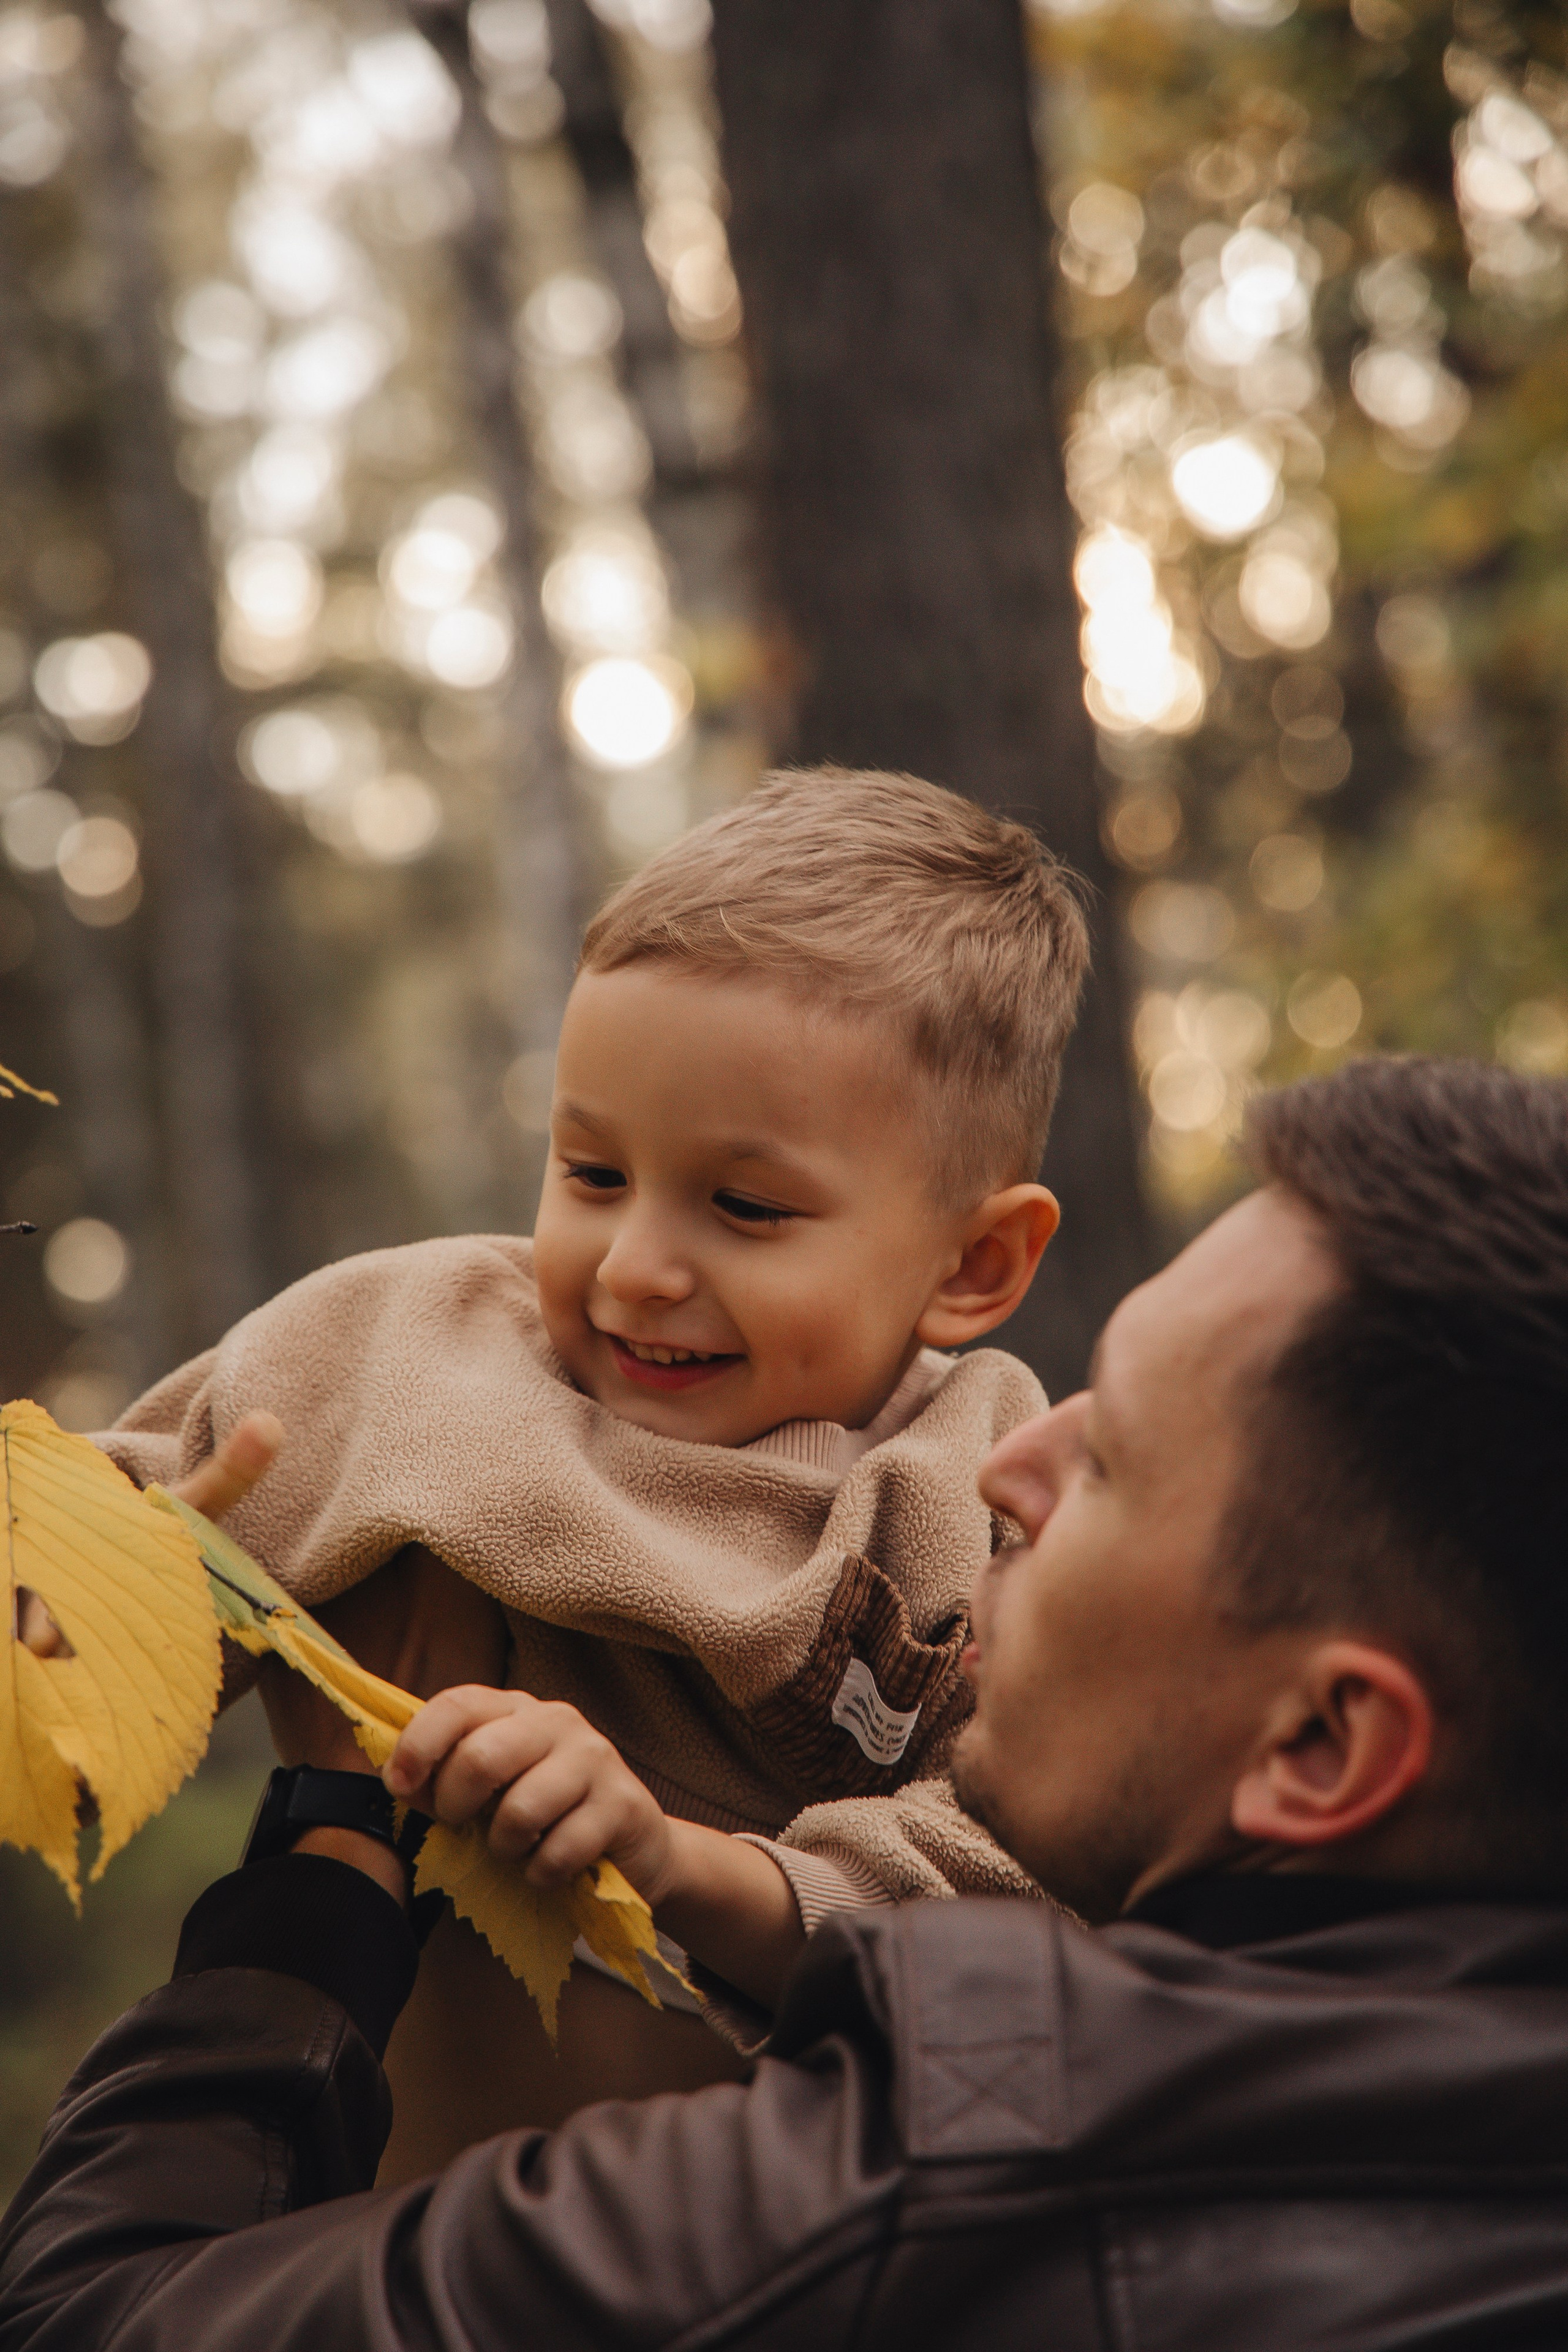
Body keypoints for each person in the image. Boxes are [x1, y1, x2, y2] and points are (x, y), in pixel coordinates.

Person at [7, 1051, 1568, 2352]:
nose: (1009, 1465)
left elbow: (95, 2321)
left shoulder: (916, 2195)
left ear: (1321, 1746)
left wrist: (333, 1843)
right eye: (590, 1174)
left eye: (1111, 1463)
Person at [89, 766, 1086, 2169]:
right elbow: (115, 1518)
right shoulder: (407, 1356)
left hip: (775, 2245)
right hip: (373, 2219)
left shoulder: (972, 1492)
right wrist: (78, 1597)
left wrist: (689, 1865)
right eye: (590, 1174)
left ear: (972, 1263)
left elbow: (1018, 1869)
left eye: (744, 1207)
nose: (633, 1268)